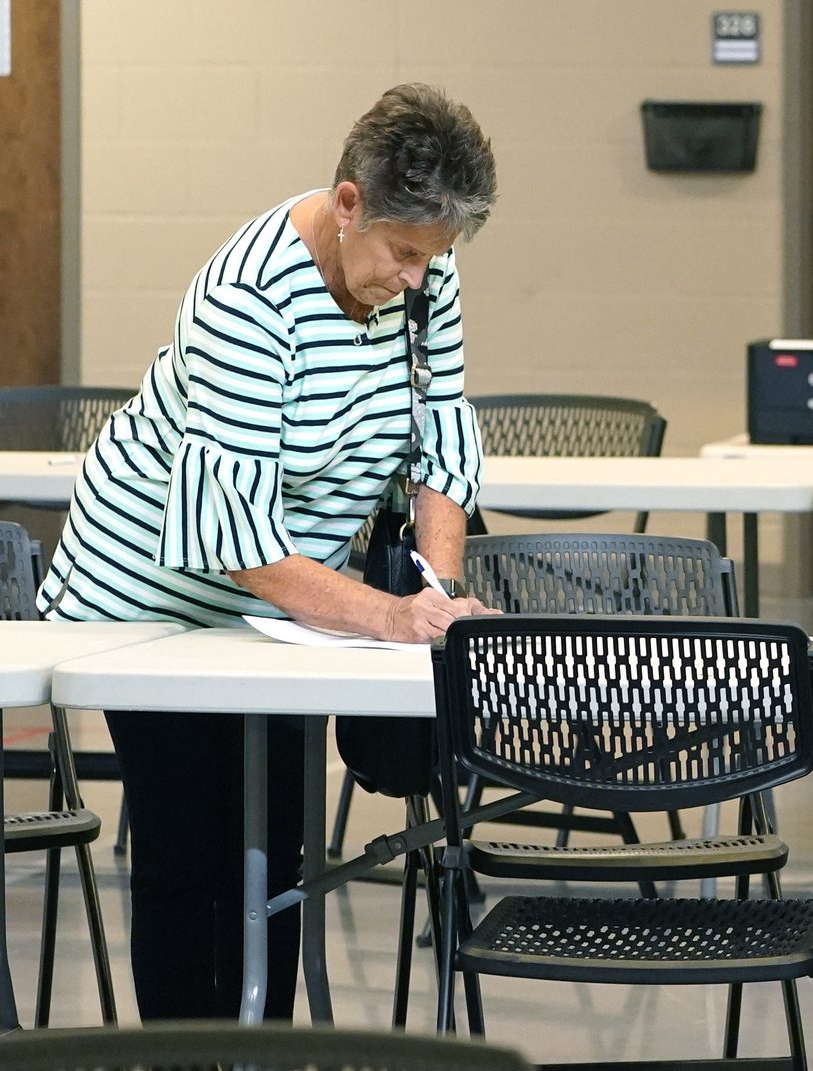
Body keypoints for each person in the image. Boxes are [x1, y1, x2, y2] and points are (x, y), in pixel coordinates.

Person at [36, 83, 498, 1020]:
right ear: (348, 202)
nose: (417, 278)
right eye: (404, 254)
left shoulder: (424, 274)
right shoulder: (252, 297)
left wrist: (440, 594)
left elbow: (441, 445)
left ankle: (265, 1048)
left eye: (434, 259)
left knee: (280, 852)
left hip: (292, 614)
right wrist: (392, 616)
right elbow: (232, 540)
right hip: (148, 602)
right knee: (189, 849)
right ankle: (181, 1052)